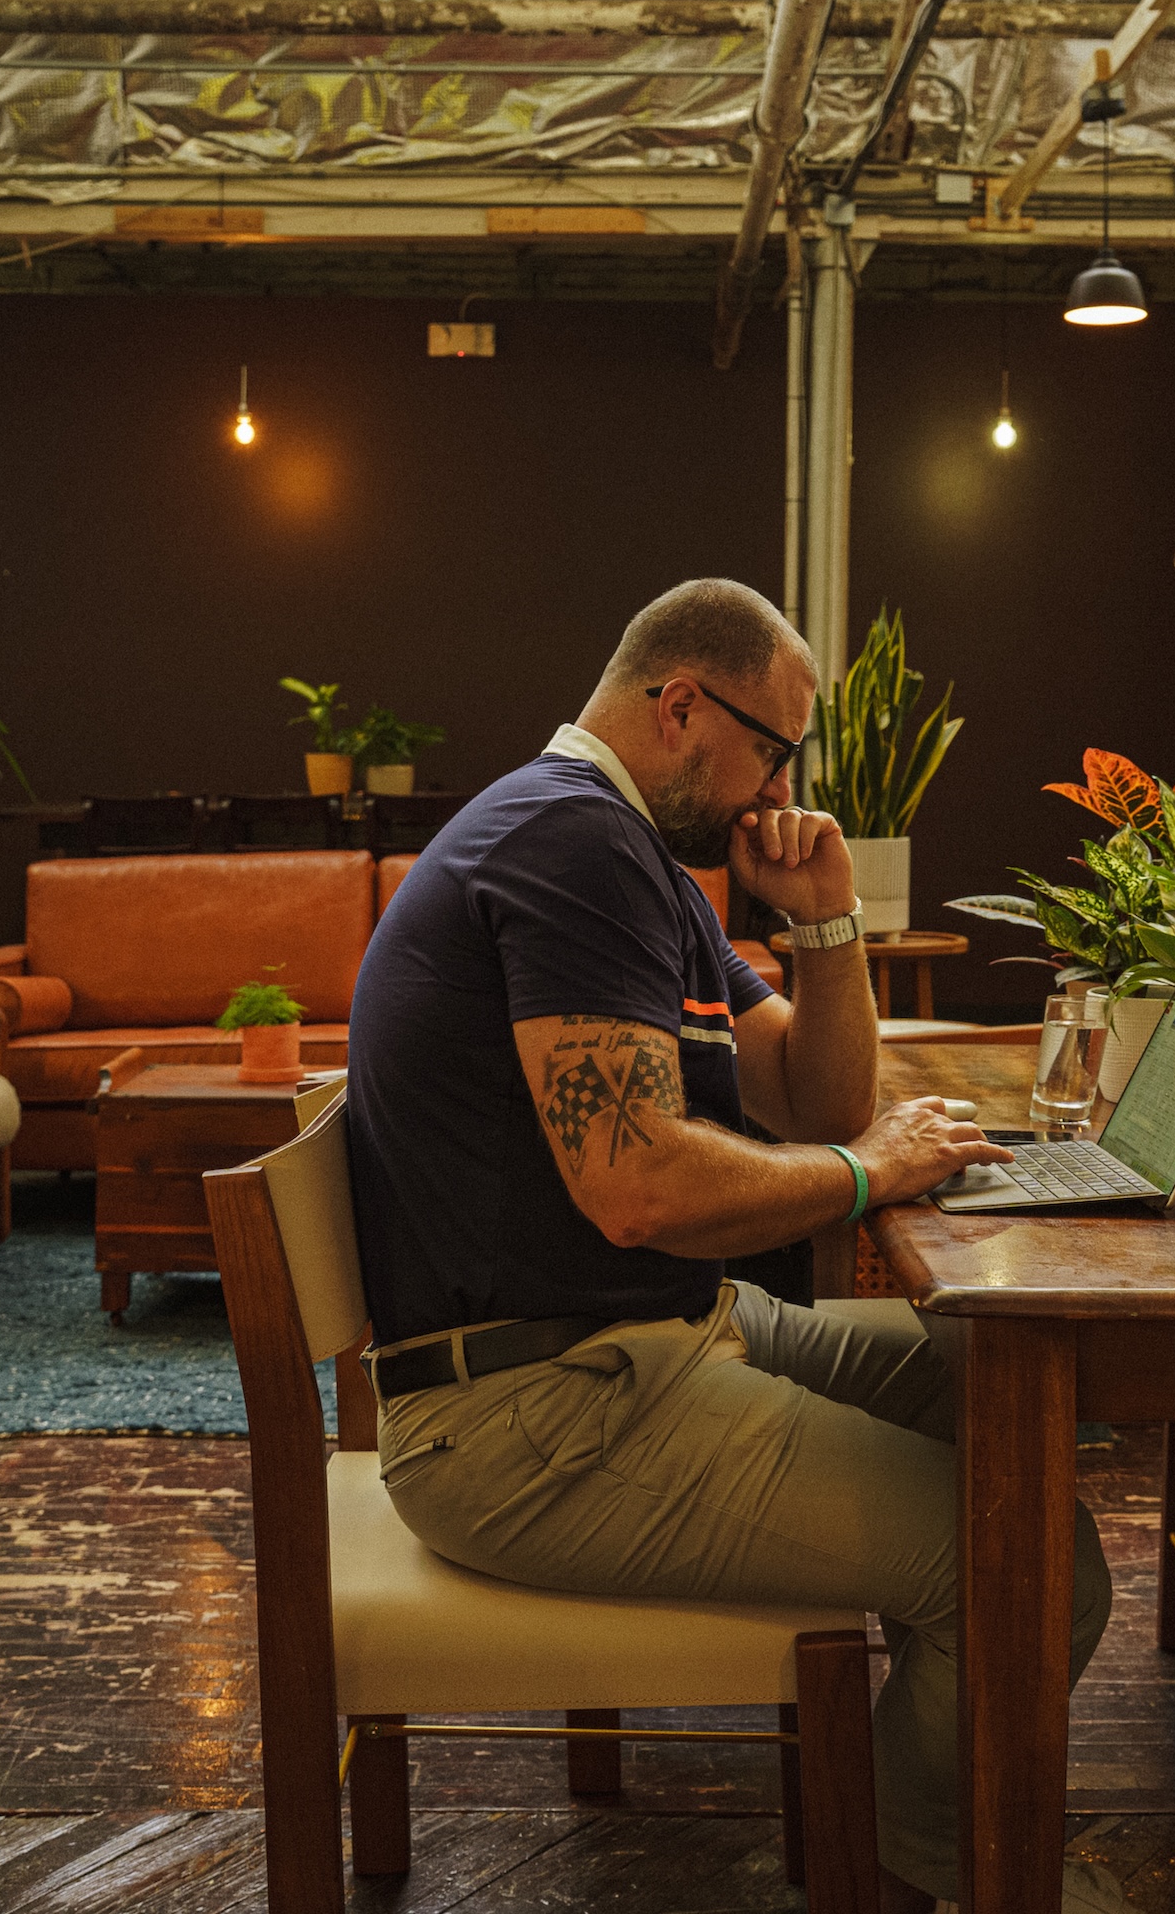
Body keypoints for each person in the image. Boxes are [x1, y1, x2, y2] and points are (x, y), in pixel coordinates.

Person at [347, 579, 1116, 1913]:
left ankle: (919, 1831)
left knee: (1007, 1395)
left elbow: (816, 1100)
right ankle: (917, 1881)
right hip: (537, 1412)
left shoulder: (635, 858)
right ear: (681, 706)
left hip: (641, 1344)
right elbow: (638, 1188)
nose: (779, 788)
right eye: (772, 749)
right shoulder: (570, 848)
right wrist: (868, 1177)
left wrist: (826, 920)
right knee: (1032, 1570)